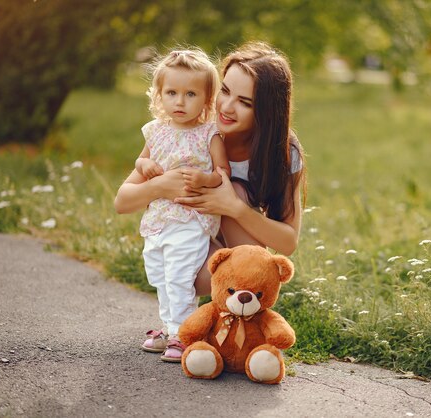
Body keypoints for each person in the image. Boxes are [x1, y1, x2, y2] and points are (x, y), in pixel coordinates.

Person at [114, 41, 307, 296]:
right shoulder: (192, 133)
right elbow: (122, 202)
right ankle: (201, 316)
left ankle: (241, 312)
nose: (226, 107)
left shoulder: (282, 152)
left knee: (236, 191)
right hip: (188, 248)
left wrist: (233, 207)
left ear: (267, 111)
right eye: (224, 91)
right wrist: (159, 185)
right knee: (184, 275)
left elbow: (288, 242)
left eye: (245, 102)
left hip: (240, 249)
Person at [118, 47, 231, 362]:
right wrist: (145, 169)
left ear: (207, 99)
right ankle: (170, 327)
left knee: (179, 275)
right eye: (172, 92)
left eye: (191, 93)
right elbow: (142, 159)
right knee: (159, 274)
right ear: (159, 95)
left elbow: (223, 173)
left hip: (190, 218)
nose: (180, 101)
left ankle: (183, 334)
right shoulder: (156, 131)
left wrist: (205, 179)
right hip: (159, 219)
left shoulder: (209, 133)